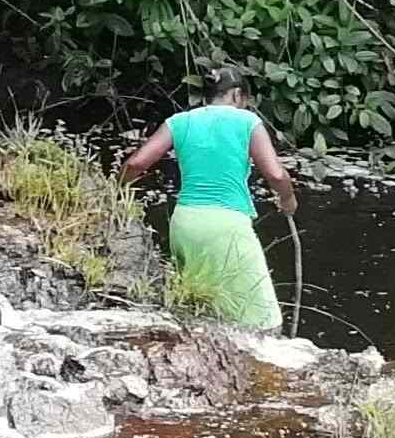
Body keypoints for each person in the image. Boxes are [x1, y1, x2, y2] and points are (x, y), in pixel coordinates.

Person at [120, 71, 298, 332]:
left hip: (184, 223)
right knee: (266, 324)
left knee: (204, 316)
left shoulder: (179, 121)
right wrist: (288, 199)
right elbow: (275, 173)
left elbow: (136, 163)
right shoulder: (247, 121)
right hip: (226, 227)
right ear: (237, 95)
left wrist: (114, 191)